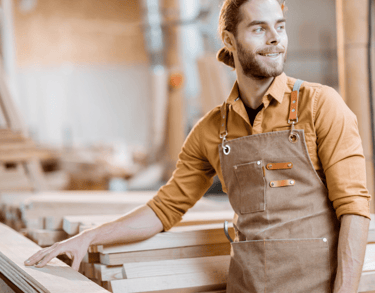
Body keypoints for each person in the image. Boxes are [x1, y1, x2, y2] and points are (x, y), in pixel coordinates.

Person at [25, 0, 371, 292]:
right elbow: (164, 210)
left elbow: (354, 210)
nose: (275, 39)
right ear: (229, 39)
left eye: (280, 27)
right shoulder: (211, 130)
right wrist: (89, 236)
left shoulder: (321, 106)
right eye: (259, 29)